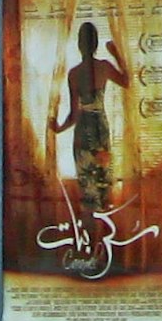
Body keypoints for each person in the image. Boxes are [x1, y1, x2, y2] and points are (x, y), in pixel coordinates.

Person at [49, 16, 132, 220]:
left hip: (83, 131)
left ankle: (90, 232)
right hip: (100, 127)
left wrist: (58, 128)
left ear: (79, 44)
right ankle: (103, 230)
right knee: (103, 179)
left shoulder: (74, 73)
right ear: (95, 43)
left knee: (88, 183)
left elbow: (74, 115)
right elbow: (127, 81)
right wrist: (116, 54)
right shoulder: (104, 67)